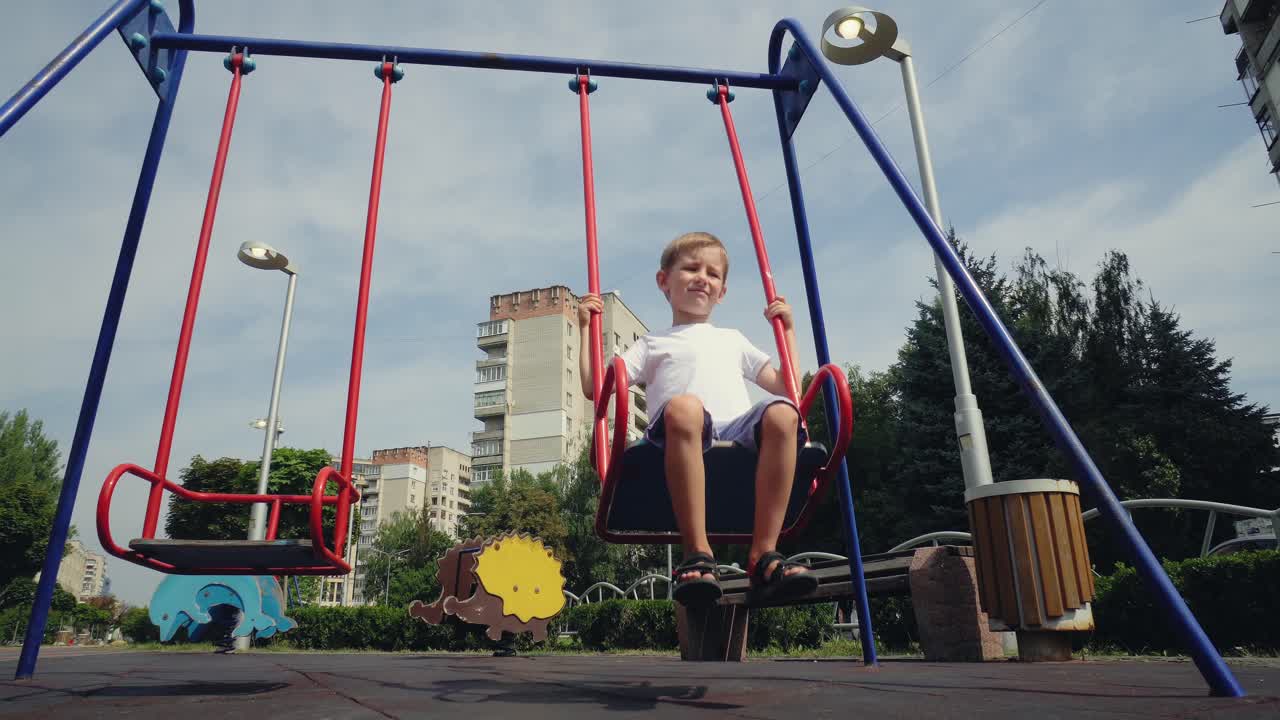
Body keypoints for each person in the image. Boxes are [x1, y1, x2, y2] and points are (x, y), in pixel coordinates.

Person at [578, 231, 818, 607]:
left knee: (785, 416)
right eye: (691, 268)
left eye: (712, 273)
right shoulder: (652, 343)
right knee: (686, 406)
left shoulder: (733, 339)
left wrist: (788, 332)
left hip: (736, 430)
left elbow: (789, 389)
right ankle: (698, 552)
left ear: (721, 291)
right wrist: (584, 329)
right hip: (678, 432)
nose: (702, 277)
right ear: (664, 281)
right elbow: (597, 388)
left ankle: (764, 554)